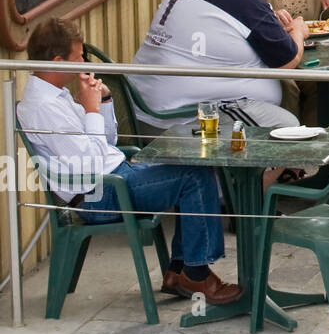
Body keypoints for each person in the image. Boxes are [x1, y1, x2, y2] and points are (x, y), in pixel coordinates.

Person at [19, 18, 244, 304]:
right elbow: (88, 165)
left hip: (116, 174)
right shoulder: (42, 107)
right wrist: (89, 111)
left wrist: (104, 101)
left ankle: (178, 271)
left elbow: (107, 142)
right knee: (194, 177)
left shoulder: (57, 94)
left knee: (196, 164)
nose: (83, 62)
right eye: (78, 57)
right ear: (57, 60)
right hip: (99, 195)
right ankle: (197, 275)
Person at [131, 0, 304, 131]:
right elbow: (288, 59)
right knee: (287, 126)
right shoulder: (242, 0)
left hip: (144, 111)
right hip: (181, 118)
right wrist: (299, 31)